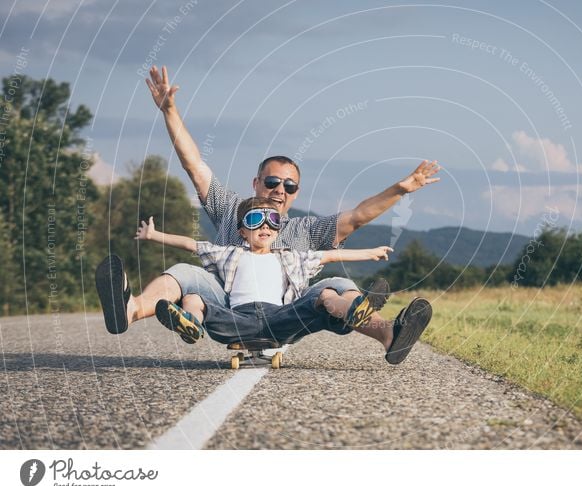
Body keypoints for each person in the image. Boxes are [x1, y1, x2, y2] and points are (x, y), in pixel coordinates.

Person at [94, 66, 441, 349]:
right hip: (227, 304)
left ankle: (387, 334)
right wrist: (170, 112)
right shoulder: (234, 209)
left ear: (296, 192)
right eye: (272, 182)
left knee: (332, 284)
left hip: (284, 309)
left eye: (289, 186)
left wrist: (401, 188)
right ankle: (131, 309)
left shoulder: (306, 230)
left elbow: (358, 216)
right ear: (256, 184)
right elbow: (195, 167)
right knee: (185, 272)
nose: (279, 190)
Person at [133, 196, 432, 364]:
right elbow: (190, 244)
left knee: (326, 295)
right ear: (241, 231)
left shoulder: (290, 257)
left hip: (281, 319)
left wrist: (371, 252)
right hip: (235, 319)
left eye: (272, 221)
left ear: (278, 229)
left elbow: (330, 257)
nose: (264, 226)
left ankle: (354, 310)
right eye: (254, 221)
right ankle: (191, 323)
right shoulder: (228, 254)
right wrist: (153, 235)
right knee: (195, 298)